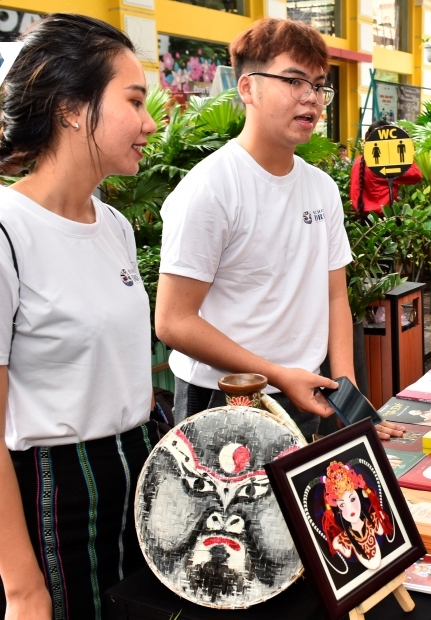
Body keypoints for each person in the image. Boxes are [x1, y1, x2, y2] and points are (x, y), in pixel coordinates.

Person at [0, 14, 158, 620]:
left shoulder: (112, 226)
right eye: (134, 101)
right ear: (71, 108)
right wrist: (25, 591)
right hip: (48, 507)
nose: (149, 121)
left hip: (130, 493)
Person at [156, 19, 401, 442]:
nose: (312, 98)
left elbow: (335, 295)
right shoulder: (209, 189)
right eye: (294, 80)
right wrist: (277, 376)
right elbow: (173, 322)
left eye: (319, 85)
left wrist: (348, 394)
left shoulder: (321, 187)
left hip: (304, 391)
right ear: (247, 87)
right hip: (223, 397)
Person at [349, 119, 422, 216]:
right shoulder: (384, 165)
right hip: (381, 219)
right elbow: (416, 175)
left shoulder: (358, 161)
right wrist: (401, 154)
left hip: (360, 216)